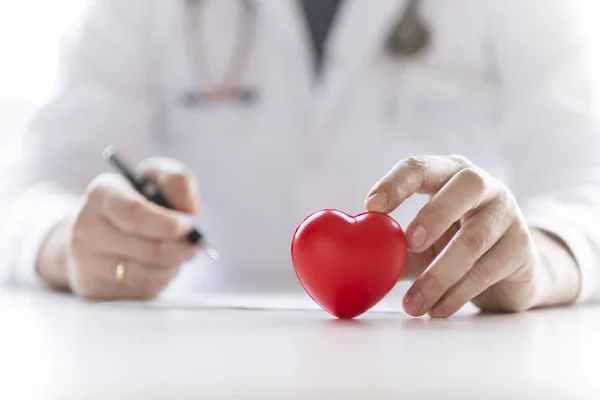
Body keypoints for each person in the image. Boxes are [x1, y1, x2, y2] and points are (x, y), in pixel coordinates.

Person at [1, 0, 599, 318]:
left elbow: (585, 184)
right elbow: (32, 187)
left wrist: (536, 261)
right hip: (198, 346)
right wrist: (66, 245)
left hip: (438, 346)